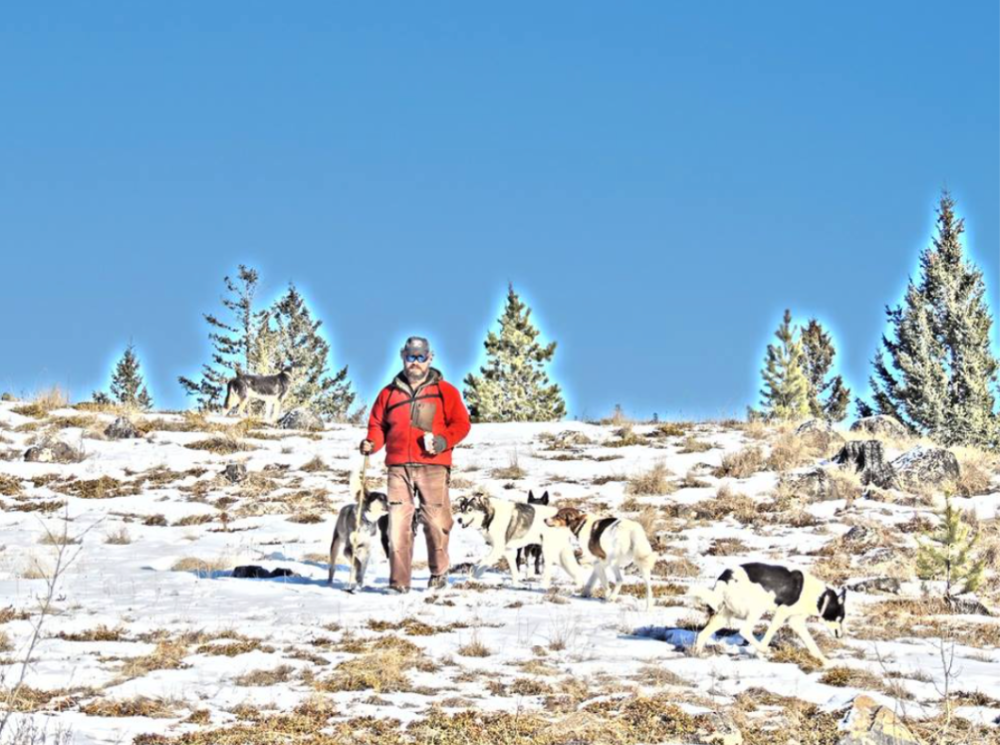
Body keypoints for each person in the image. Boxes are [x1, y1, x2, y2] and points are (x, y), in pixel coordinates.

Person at [360, 337, 471, 593]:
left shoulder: (446, 391)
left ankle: (439, 572)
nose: (416, 362)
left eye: (421, 357)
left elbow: (462, 424)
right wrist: (371, 444)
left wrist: (444, 442)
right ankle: (399, 583)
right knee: (398, 524)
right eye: (411, 356)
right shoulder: (388, 393)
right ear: (403, 357)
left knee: (435, 522)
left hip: (433, 465)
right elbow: (378, 425)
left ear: (430, 358)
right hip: (398, 466)